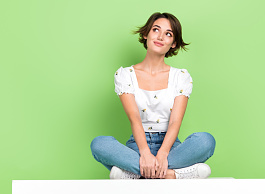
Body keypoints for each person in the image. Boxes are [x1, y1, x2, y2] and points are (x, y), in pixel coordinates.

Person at [91, 12, 216, 179]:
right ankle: (173, 174)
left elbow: (175, 121)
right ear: (146, 34)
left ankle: (136, 174)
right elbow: (134, 117)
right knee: (99, 144)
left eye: (168, 34)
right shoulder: (125, 75)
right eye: (156, 30)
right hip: (137, 147)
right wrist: (145, 153)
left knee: (206, 141)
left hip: (171, 148)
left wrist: (163, 153)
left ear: (173, 43)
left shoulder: (181, 77)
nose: (161, 37)